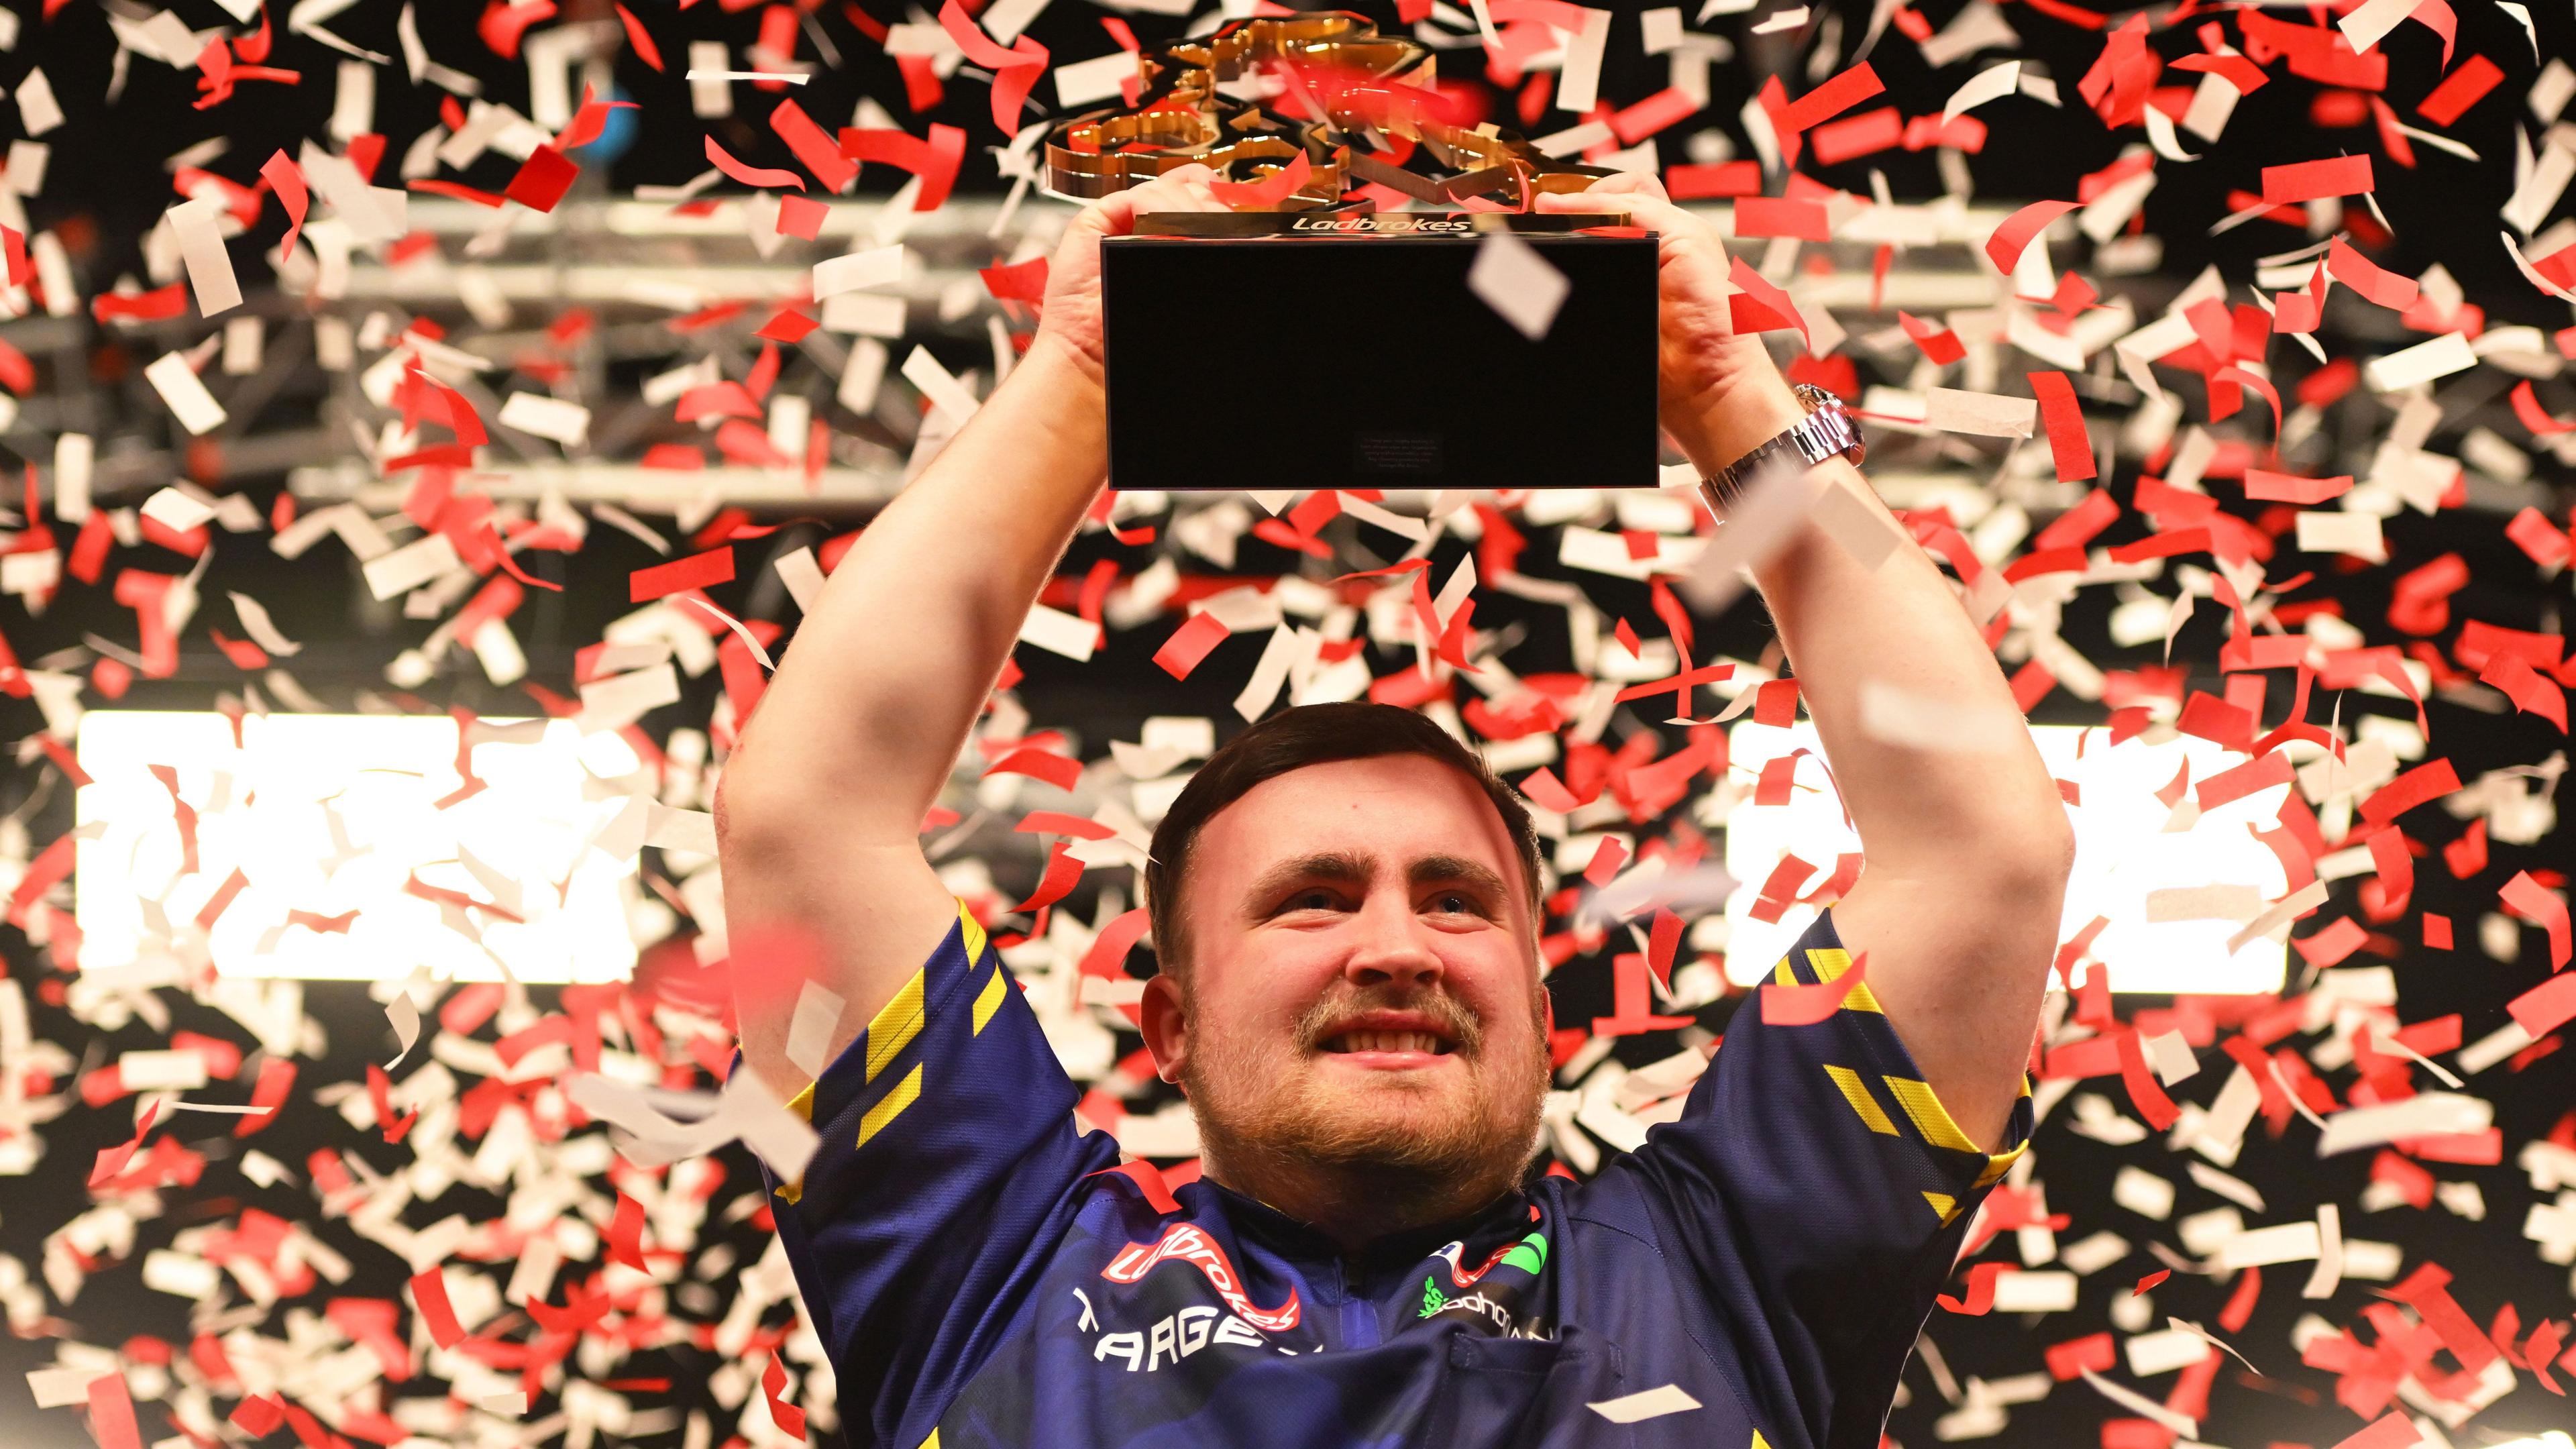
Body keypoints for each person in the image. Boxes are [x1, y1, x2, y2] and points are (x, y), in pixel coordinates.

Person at [716, 164, 2076, 1449]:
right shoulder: (992, 1263)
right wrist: (1077, 381)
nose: (1398, 946)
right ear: (1170, 1022)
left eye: (1456, 900)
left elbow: (1986, 858)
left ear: (1545, 1006)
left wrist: (1728, 396)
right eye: (1312, 896)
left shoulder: (1732, 1268)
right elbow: (804, 814)